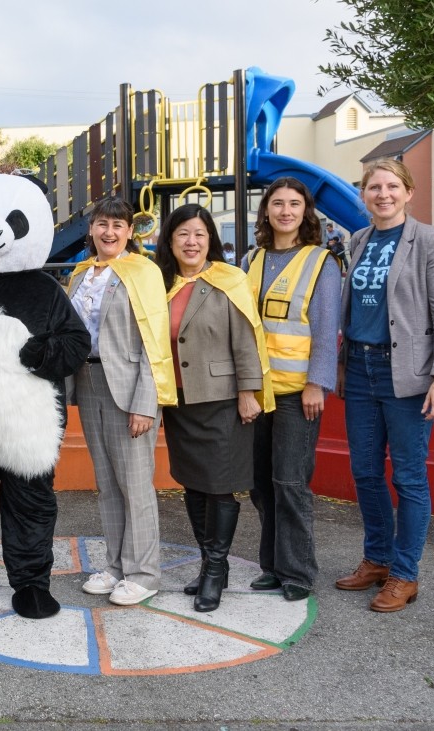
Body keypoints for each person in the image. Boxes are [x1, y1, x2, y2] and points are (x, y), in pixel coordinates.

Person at [335, 158, 434, 612]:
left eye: (391, 187)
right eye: (373, 188)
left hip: (406, 374)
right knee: (365, 472)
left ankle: (405, 574)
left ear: (408, 192)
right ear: (363, 195)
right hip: (362, 371)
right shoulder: (359, 239)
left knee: (408, 476)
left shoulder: (430, 240)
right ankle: (378, 558)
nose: (382, 194)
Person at [154, 205, 271, 612]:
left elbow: (246, 339)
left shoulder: (228, 280)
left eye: (200, 234)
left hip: (222, 398)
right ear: (170, 239)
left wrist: (248, 391)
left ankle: (216, 572)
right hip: (180, 400)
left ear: (211, 241)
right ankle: (206, 563)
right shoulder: (161, 284)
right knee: (193, 483)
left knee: (220, 487)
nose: (191, 242)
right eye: (183, 233)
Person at [65, 196, 176, 606]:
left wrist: (147, 401)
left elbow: (154, 338)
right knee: (108, 484)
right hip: (90, 379)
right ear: (91, 229)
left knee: (135, 484)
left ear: (130, 232)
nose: (108, 232)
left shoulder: (143, 272)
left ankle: (143, 572)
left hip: (130, 387)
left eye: (117, 225)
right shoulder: (81, 274)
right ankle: (115, 565)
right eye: (101, 224)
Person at [244, 177, 342, 602]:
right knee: (261, 486)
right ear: (266, 210)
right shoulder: (251, 258)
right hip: (256, 391)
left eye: (294, 204)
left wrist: (317, 383)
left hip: (296, 392)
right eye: (278, 203)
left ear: (306, 212)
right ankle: (273, 566)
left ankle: (298, 571)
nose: (286, 211)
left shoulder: (321, 262)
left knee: (290, 482)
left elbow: (325, 329)